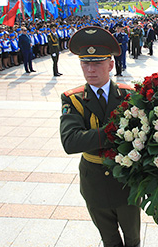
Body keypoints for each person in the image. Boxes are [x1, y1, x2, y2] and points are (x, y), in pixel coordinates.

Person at [60, 26, 141, 247]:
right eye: (85, 63)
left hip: (126, 183)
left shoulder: (129, 95)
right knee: (110, 240)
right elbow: (70, 142)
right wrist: (117, 133)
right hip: (94, 182)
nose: (90, 69)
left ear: (111, 64)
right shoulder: (73, 99)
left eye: (96, 63)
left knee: (133, 239)